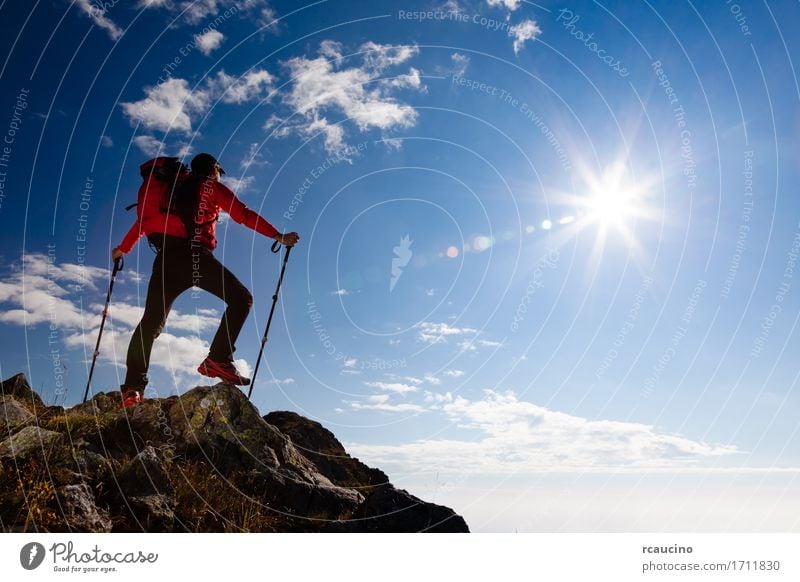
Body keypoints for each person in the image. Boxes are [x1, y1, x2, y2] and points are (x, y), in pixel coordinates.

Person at [112, 153, 299, 408]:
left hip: (166, 260)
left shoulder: (169, 193)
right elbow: (243, 215)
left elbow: (142, 224)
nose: (220, 175)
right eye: (220, 171)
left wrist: (121, 250)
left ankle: (132, 389)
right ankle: (218, 358)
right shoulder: (210, 186)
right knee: (241, 299)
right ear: (213, 170)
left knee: (151, 323)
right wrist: (278, 236)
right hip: (195, 257)